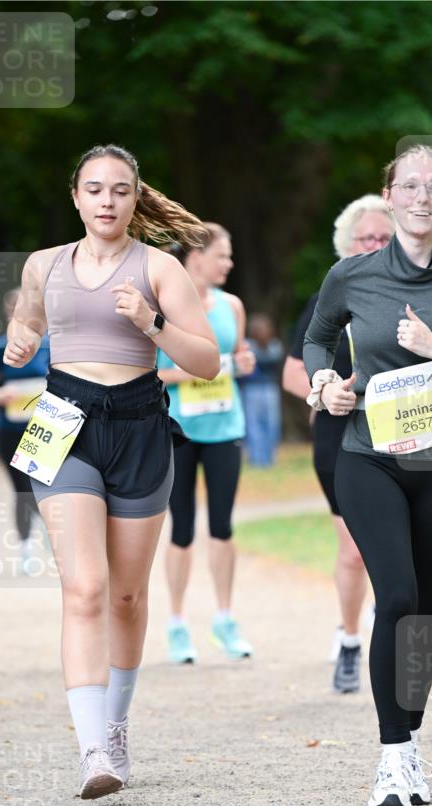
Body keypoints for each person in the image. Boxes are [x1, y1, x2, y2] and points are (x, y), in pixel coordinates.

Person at [3, 143, 219, 800]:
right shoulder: (44, 265)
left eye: (119, 190)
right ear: (76, 197)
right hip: (65, 424)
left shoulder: (158, 268)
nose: (106, 201)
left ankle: (117, 725)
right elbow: (28, 326)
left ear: (134, 197)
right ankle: (91, 746)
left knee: (126, 596)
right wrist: (20, 340)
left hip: (139, 425)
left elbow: (207, 361)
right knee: (85, 589)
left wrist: (150, 323)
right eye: (94, 189)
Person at [303, 145, 432, 806]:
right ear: (388, 196)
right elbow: (315, 337)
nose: (422, 196)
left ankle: (409, 741)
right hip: (368, 455)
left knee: (424, 613)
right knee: (393, 595)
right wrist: (323, 381)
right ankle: (392, 758)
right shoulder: (352, 275)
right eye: (410, 185)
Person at [283, 195, 393, 693]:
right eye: (366, 238)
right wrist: (324, 391)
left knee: (397, 552)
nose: (375, 246)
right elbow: (290, 371)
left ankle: (389, 633)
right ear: (347, 245)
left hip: (402, 434)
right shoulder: (329, 298)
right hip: (340, 436)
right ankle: (350, 639)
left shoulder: (415, 296)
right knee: (353, 552)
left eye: (384, 238)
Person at [157, 225, 256, 664]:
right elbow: (149, 373)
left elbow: (239, 357)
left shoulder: (232, 306)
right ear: (196, 256)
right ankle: (177, 623)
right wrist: (197, 371)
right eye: (223, 255)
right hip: (179, 429)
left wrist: (243, 362)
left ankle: (225, 618)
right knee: (180, 528)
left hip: (225, 427)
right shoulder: (163, 304)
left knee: (223, 524)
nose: (229, 263)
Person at [0, 287, 50, 575]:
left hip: (46, 429)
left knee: (45, 486)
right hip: (10, 430)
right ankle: (26, 547)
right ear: (10, 313)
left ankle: (51, 539)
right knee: (22, 489)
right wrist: (0, 395)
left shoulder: (52, 345)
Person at [241, 313, 285, 467]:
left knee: (272, 423)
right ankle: (256, 459)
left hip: (270, 388)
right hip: (251, 388)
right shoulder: (247, 345)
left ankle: (269, 457)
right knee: (253, 424)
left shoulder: (274, 346)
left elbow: (270, 359)